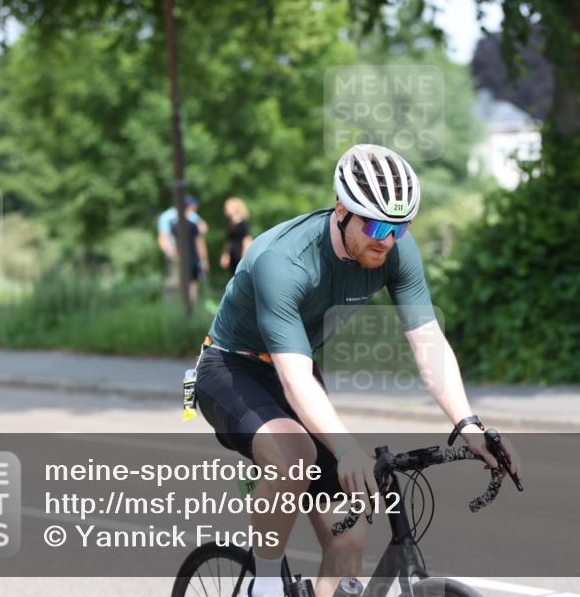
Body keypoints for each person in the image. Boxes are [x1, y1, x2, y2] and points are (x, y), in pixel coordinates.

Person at [194, 144, 521, 597]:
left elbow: (429, 344)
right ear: (342, 209)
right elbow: (293, 379)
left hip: (299, 368)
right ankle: (263, 587)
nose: (387, 239)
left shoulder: (394, 251)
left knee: (349, 541)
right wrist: (346, 448)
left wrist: (468, 423)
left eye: (400, 227)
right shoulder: (284, 262)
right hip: (231, 369)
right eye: (376, 224)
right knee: (294, 456)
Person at [157, 196, 209, 304]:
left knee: (191, 284)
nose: (194, 211)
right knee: (174, 284)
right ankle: (174, 309)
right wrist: (170, 251)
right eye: (193, 208)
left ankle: (188, 310)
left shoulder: (192, 216)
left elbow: (204, 227)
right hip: (175, 256)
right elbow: (162, 238)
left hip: (191, 255)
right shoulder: (167, 217)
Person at [219, 197, 252, 278]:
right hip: (232, 254)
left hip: (240, 253)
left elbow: (247, 239)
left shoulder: (243, 223)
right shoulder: (230, 224)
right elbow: (229, 241)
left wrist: (245, 255)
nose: (226, 208)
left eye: (228, 206)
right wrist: (225, 255)